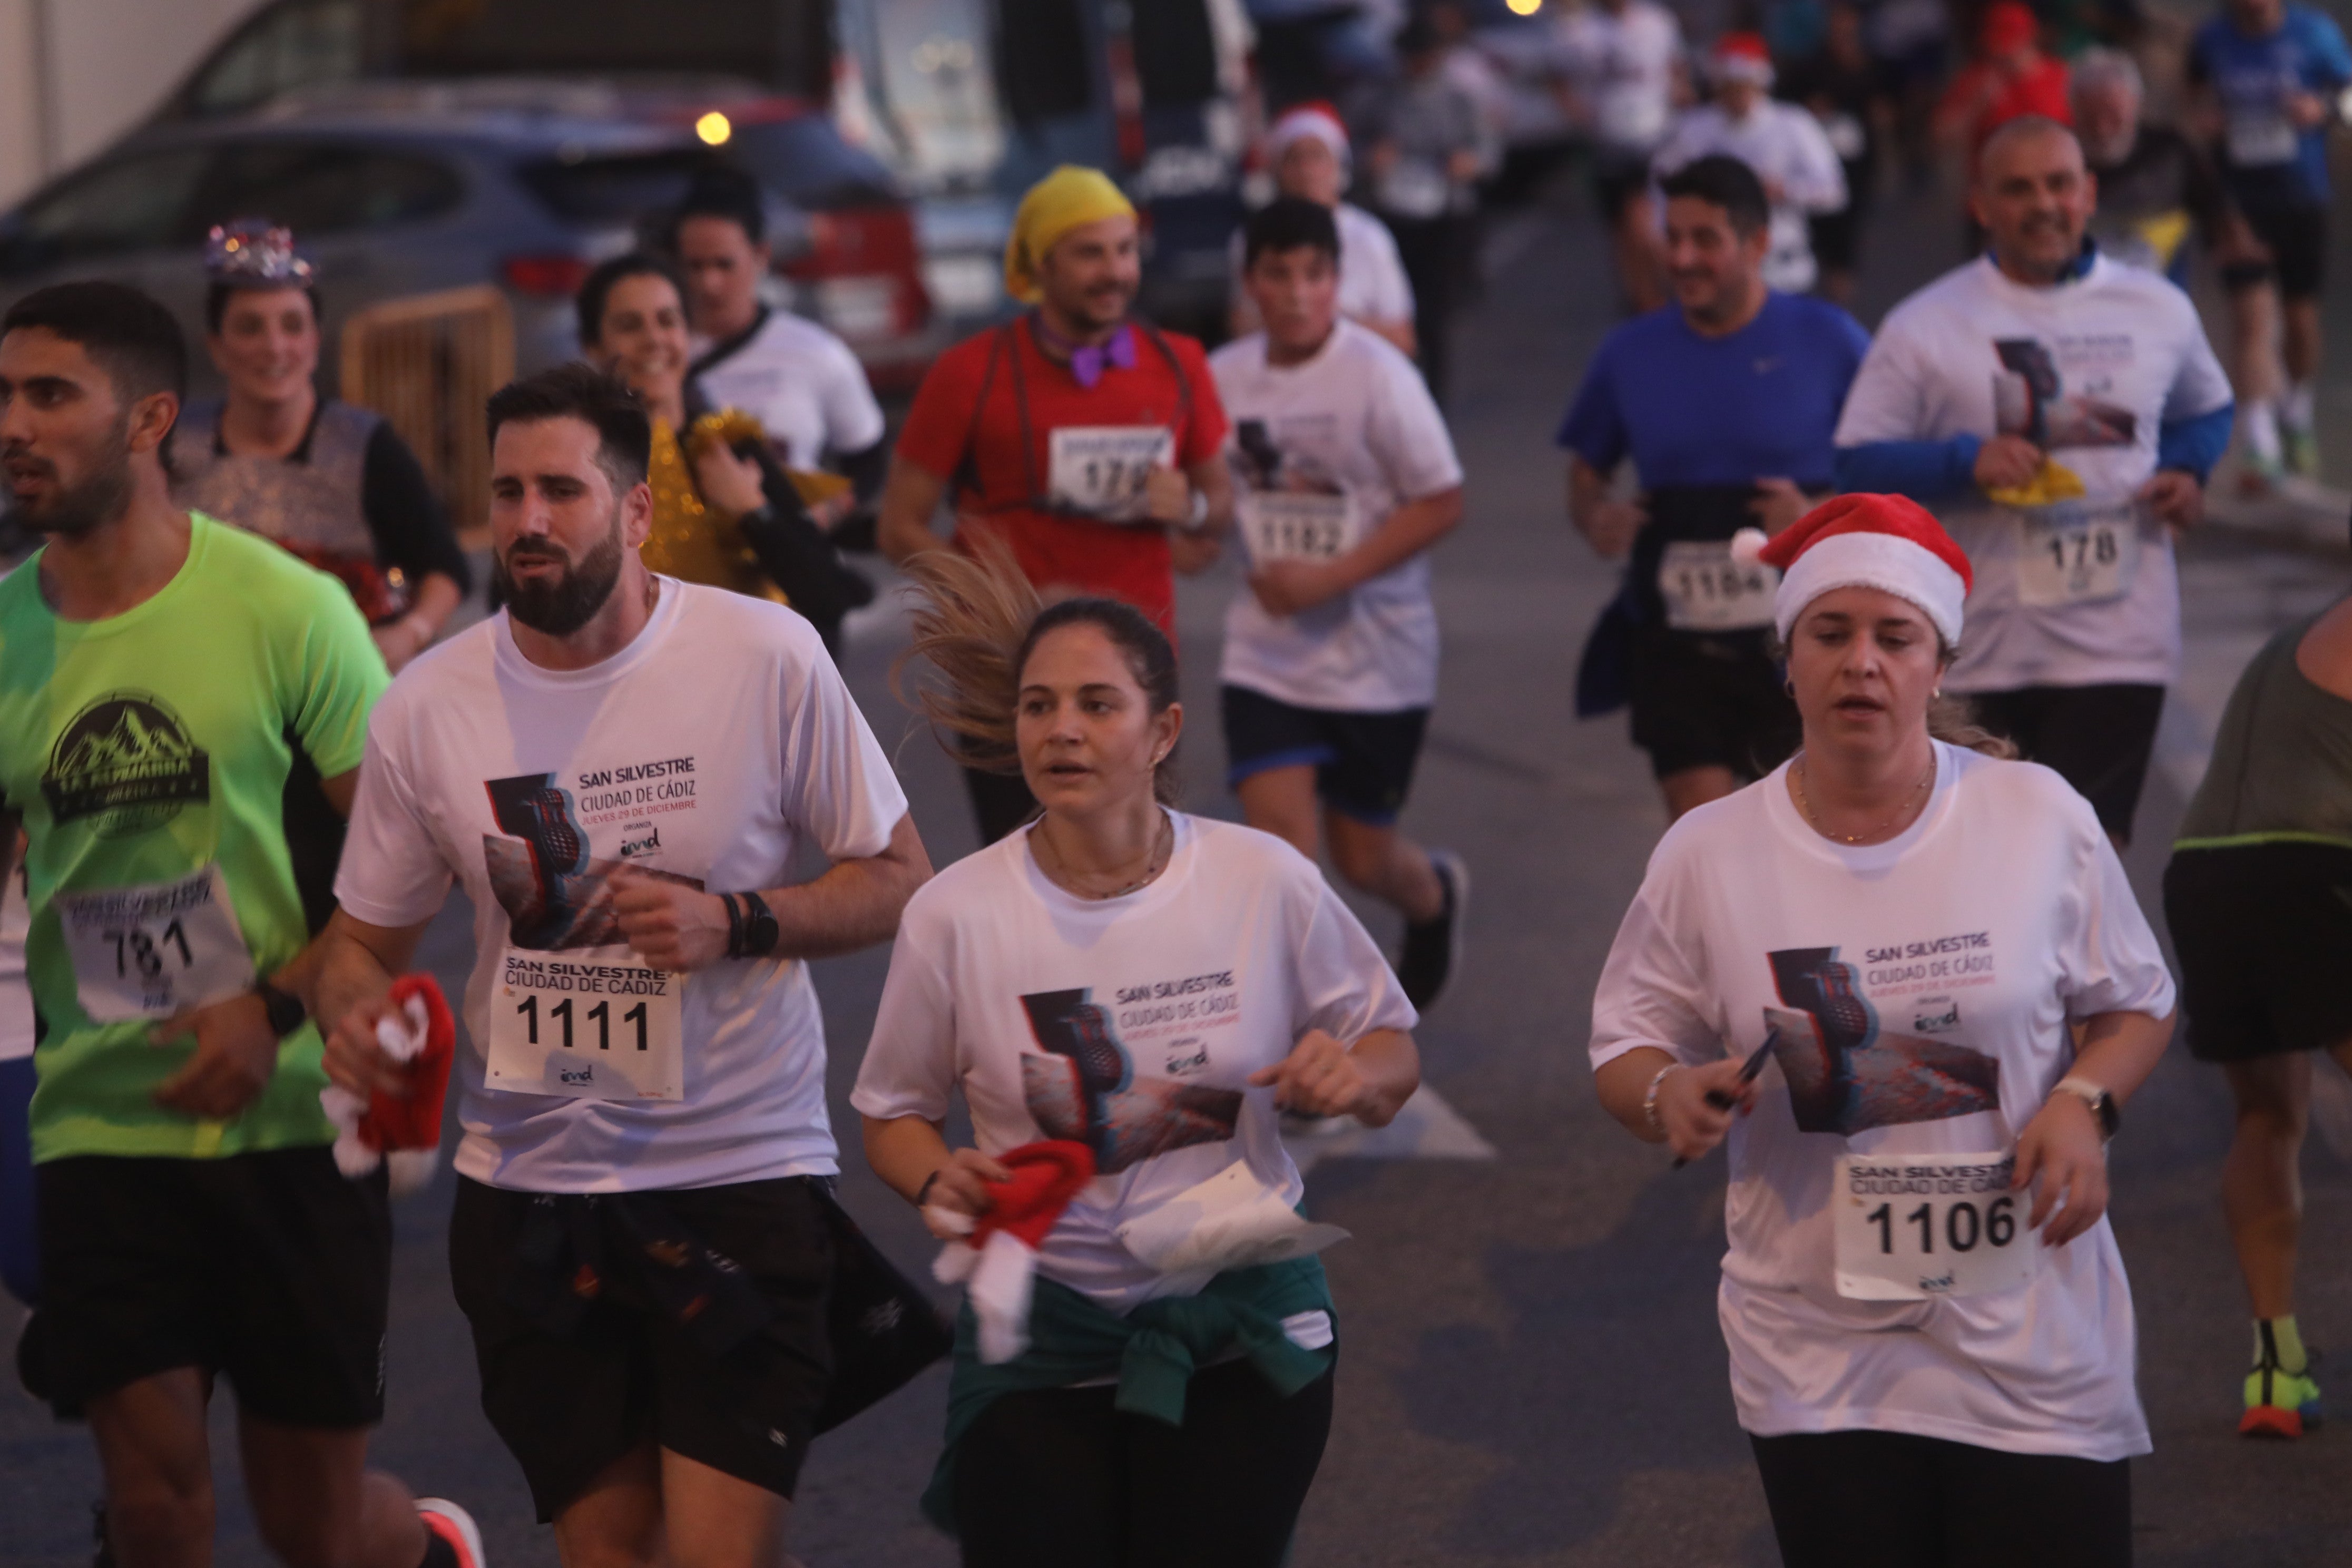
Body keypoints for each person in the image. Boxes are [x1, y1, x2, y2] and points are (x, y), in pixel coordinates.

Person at [308, 363, 930, 1566]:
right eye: (505, 493)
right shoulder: (428, 707)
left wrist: (734, 922)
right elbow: (358, 950)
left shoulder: (763, 656)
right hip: (530, 1187)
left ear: (636, 509)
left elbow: (896, 873)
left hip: (737, 1168)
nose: (527, 521)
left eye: (561, 490)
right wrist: (355, 1019)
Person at [1590, 492, 2177, 1568]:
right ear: (1790, 658)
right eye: (1832, 633)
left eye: (1894, 637)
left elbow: (2135, 1002)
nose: (1863, 661)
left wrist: (2081, 1104)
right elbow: (1626, 1042)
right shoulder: (1709, 851)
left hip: (2031, 1335)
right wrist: (1660, 1094)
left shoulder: (2037, 815)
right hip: (1818, 1348)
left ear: (1937, 663)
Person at [0, 281, 484, 1568]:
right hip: (101, 1116)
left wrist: (272, 1006)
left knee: (313, 1531)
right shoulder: (1, 634)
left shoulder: (287, 611)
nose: (14, 424)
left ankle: (425, 1548)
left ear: (150, 417)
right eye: (3, 395)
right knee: (153, 1515)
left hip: (289, 1122)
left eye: (50, 394)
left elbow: (404, 860)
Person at [852, 547, 1420, 1566]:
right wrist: (943, 1178)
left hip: (1236, 1314)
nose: (1060, 728)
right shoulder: (955, 913)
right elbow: (890, 1114)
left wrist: (1358, 1079)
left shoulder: (1260, 877)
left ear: (1161, 731)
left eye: (1094, 704)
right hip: (1039, 1331)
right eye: (1037, 706)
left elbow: (1388, 1043)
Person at [1833, 117, 2235, 848]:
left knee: (2090, 855)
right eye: (2018, 190)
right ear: (1982, 205)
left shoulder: (2159, 309)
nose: (2043, 204)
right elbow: (1856, 461)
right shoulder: (1927, 323)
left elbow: (2206, 406)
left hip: (2120, 638)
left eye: (2059, 185)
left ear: (2088, 194)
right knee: (1984, 865)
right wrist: (1963, 461)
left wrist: (2185, 468)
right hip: (1977, 643)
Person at [879, 165, 1233, 846]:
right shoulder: (967, 372)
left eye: (1125, 250)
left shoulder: (1180, 361)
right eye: (1090, 252)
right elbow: (900, 523)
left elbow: (1219, 505)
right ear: (1041, 265)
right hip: (1008, 672)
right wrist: (995, 602)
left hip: (1136, 672)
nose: (1115, 271)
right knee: (1022, 876)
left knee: (1134, 868)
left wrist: (1188, 506)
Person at [1214, 198, 1469, 1012]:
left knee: (1365, 859)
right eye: (1277, 274)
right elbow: (1206, 514)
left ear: (1337, 281)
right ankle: (1308, 1033)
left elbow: (1441, 499)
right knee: (1283, 857)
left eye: (1314, 275)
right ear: (1251, 284)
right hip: (1268, 654)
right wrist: (1182, 513)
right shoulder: (1222, 379)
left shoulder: (1378, 375)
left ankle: (1432, 899)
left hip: (1378, 655)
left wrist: (1332, 577)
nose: (1295, 293)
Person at [1560, 155, 1870, 821]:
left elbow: (1890, 472)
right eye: (1672, 238)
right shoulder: (1630, 352)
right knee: (1700, 830)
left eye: (1705, 240)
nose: (1682, 258)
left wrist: (1816, 516)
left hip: (1802, 634)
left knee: (1800, 828)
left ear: (1758, 243)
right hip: (1678, 637)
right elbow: (1586, 472)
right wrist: (1596, 517)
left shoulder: (1828, 339)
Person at [2163, 589, 2352, 1437]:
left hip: (2205, 874)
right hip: (2314, 868)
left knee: (2268, 1118)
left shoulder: (2297, 632)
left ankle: (2275, 1371)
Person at [174, 220, 472, 676]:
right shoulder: (175, 448)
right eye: (250, 328)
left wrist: (410, 632)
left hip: (340, 687)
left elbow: (445, 568)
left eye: (292, 326)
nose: (275, 347)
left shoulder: (365, 445)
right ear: (218, 347)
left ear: (315, 343)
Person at [577, 251, 869, 656]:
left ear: (688, 335)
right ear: (592, 346)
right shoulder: (576, 465)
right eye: (630, 326)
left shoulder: (729, 447)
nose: (654, 339)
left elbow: (828, 598)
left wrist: (753, 511)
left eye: (668, 321)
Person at [2188, 0, 2352, 481]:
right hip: (2238, 202)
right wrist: (2205, 121)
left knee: (2300, 323)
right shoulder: (2212, 40)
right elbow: (2191, 100)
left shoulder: (2314, 34)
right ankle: (2259, 440)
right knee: (2251, 319)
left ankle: (2294, 411)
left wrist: (2321, 109)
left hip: (2302, 198)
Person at [671, 168, 890, 523]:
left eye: (724, 265)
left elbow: (867, 460)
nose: (708, 283)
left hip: (790, 558)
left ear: (761, 256)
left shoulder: (817, 352)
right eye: (694, 266)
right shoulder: (658, 354)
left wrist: (827, 513)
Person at [1650, 33, 1848, 296]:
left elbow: (1834, 191)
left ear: (1761, 83)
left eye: (1744, 85)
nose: (1737, 95)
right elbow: (1661, 186)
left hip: (1784, 267)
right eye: (1729, 86)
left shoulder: (1793, 124)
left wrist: (1784, 191)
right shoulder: (1694, 129)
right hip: (1719, 273)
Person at [1357, 17, 1489, 405]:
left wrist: (1468, 162)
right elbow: (1353, 145)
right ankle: (1403, 385)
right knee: (1399, 304)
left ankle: (1436, 390)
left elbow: (1486, 149)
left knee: (1436, 309)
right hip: (1397, 211)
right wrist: (1373, 158)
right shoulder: (1380, 98)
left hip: (1445, 212)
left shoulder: (1457, 98)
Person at [1227, 102, 1417, 357]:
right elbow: (1242, 326)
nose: (1306, 171)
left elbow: (1403, 337)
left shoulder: (1370, 237)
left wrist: (1326, 325)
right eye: (1294, 159)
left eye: (1317, 157)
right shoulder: (1252, 237)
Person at [1554, 0, 1689, 313]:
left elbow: (1676, 66)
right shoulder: (1579, 30)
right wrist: (1577, 112)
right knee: (1620, 233)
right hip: (1609, 141)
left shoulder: (1656, 22)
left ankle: (1671, 293)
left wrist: (1679, 95)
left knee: (1644, 222)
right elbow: (1557, 78)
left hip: (1654, 138)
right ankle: (1641, 303)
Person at [1781, 2, 1881, 305]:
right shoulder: (1808, 67)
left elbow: (1882, 110)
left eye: (1847, 19)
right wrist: (1810, 110)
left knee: (1844, 246)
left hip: (1855, 167)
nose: (1841, 26)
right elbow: (1784, 108)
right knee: (1812, 245)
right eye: (1835, 18)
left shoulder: (1869, 64)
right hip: (1814, 166)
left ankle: (1838, 310)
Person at [1935, 3, 2072, 187]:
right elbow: (1941, 137)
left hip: (2052, 193)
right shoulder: (1978, 79)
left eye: (2011, 42)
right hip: (1993, 195)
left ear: (2030, 37)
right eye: (1997, 43)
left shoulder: (2061, 77)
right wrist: (1976, 105)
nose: (2002, 52)